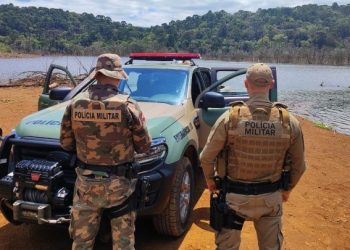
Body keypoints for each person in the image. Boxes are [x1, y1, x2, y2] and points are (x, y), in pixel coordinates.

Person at [200, 63, 306, 250]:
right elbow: (299, 165)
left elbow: (207, 157)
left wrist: (210, 181)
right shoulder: (289, 122)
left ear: (246, 83)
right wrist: (287, 189)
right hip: (271, 198)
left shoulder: (229, 119)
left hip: (234, 198)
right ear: (271, 84)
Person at [60, 53, 151, 250]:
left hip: (86, 185)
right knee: (123, 244)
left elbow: (66, 143)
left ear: (96, 75)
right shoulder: (127, 105)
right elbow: (144, 146)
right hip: (120, 187)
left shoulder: (75, 104)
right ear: (117, 76)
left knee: (81, 242)